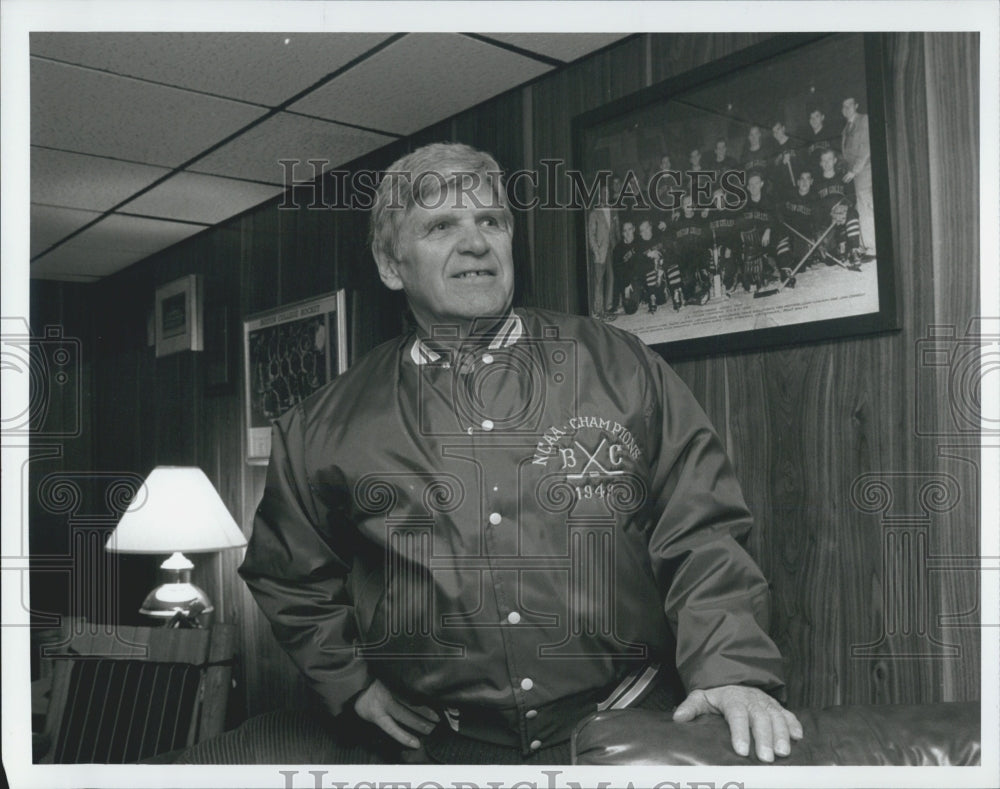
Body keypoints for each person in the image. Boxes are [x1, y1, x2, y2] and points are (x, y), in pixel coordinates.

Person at [232, 142, 802, 765]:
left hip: (634, 726)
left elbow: (701, 530)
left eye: (492, 221)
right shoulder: (322, 426)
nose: (476, 243)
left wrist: (729, 668)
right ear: (391, 263)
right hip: (452, 750)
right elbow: (288, 575)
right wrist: (350, 683)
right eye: (441, 225)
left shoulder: (621, 366)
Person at [840, 96, 875, 255]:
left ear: (856, 105)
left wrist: (854, 170)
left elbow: (867, 147)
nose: (846, 109)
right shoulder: (845, 129)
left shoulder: (864, 120)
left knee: (866, 205)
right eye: (844, 106)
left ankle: (872, 246)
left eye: (849, 105)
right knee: (861, 206)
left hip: (865, 170)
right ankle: (864, 243)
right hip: (854, 175)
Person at [587, 179, 616, 320]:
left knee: (611, 277)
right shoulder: (594, 213)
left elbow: (614, 230)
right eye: (603, 193)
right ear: (599, 195)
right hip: (600, 252)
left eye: (608, 192)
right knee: (599, 281)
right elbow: (591, 235)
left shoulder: (612, 209)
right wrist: (596, 250)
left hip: (611, 249)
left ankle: (608, 307)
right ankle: (599, 311)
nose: (606, 195)